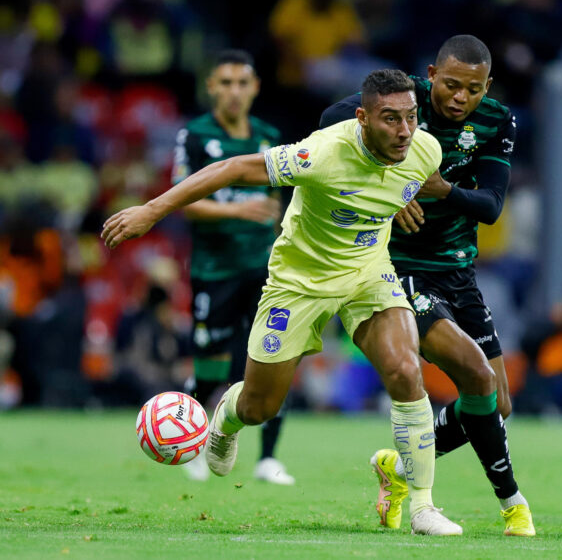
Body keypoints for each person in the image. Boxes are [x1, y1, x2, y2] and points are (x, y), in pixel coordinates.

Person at [102, 69, 462, 536]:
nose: (404, 130)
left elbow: (416, 181)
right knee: (259, 407)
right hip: (298, 283)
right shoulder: (321, 153)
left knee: (406, 370)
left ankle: (422, 508)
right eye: (391, 119)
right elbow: (230, 169)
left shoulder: (423, 149)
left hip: (368, 275)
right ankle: (225, 422)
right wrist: (151, 210)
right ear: (362, 119)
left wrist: (405, 199)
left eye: (411, 117)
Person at [320, 35, 534, 537]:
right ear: (432, 74)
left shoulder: (498, 120)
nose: (461, 99)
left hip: (459, 269)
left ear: (488, 87)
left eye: (474, 89)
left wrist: (442, 190)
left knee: (496, 403)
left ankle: (398, 467)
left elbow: (491, 206)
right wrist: (389, 192)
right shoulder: (403, 100)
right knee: (476, 376)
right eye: (453, 85)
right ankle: (512, 504)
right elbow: (332, 118)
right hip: (398, 267)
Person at [172, 50, 293, 484]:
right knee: (209, 369)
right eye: (225, 83)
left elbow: (280, 204)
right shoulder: (194, 136)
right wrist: (239, 212)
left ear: (256, 87)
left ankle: (268, 459)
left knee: (274, 358)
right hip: (214, 269)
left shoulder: (270, 137)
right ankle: (189, 444)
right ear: (211, 87)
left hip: (267, 271)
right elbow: (183, 199)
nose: (234, 91)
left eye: (242, 82)